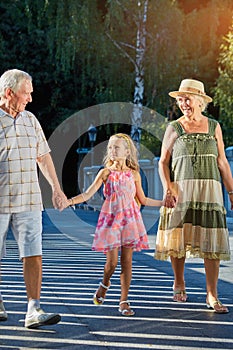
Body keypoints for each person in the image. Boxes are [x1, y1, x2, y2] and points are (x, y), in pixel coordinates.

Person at [155, 78, 233, 313]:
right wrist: (168, 188)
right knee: (179, 238)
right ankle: (179, 282)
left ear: (200, 101)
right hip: (181, 191)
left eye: (187, 98)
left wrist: (231, 191)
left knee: (211, 240)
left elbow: (222, 162)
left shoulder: (214, 127)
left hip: (209, 192)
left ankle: (212, 294)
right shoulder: (174, 127)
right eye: (180, 99)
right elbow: (162, 162)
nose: (183, 103)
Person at [66, 133, 163, 316]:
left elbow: (142, 199)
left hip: (130, 221)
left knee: (127, 262)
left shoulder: (134, 174)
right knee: (111, 263)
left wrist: (163, 203)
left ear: (127, 152)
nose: (112, 151)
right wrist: (69, 201)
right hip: (111, 221)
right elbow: (87, 195)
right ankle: (104, 284)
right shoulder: (105, 173)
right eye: (110, 147)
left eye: (116, 147)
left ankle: (124, 301)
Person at [0, 69, 67, 328]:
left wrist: (56, 189)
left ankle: (33, 309)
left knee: (33, 253)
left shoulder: (30, 120)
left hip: (29, 198)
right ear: (9, 93)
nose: (30, 98)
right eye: (26, 93)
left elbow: (43, 156)